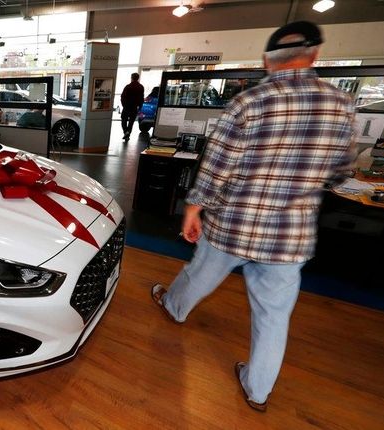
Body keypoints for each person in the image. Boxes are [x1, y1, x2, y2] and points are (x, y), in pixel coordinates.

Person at [150, 21, 355, 412]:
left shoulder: (250, 102)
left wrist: (193, 207)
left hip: (234, 225)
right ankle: (257, 391)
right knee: (274, 316)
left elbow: (217, 166)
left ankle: (174, 309)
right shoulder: (342, 104)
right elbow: (341, 170)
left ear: (266, 60)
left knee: (201, 274)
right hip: (290, 235)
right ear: (315, 56)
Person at [120, 72, 144, 141]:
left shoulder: (128, 86)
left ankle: (126, 132)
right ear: (138, 78)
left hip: (127, 106)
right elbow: (141, 98)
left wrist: (124, 105)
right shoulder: (141, 87)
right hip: (134, 107)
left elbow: (123, 97)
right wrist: (140, 106)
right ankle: (128, 132)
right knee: (131, 121)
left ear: (131, 78)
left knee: (124, 119)